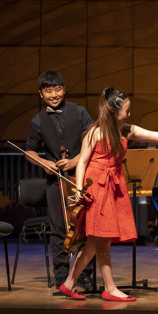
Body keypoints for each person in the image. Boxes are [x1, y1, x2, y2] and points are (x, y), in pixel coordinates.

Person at [59, 87, 158, 301]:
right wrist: (80, 190)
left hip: (113, 185)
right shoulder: (95, 132)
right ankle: (109, 289)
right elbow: (82, 162)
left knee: (96, 241)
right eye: (126, 111)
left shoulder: (125, 130)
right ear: (113, 112)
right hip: (97, 186)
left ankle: (69, 283)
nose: (129, 114)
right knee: (101, 240)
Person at [25, 71, 95, 292]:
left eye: (57, 89)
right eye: (48, 90)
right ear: (40, 94)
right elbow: (30, 151)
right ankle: (62, 278)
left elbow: (94, 139)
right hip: (55, 182)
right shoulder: (37, 121)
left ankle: (85, 276)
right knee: (58, 231)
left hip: (82, 179)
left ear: (64, 89)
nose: (54, 94)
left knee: (85, 228)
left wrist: (76, 160)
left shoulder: (80, 111)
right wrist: (45, 163)